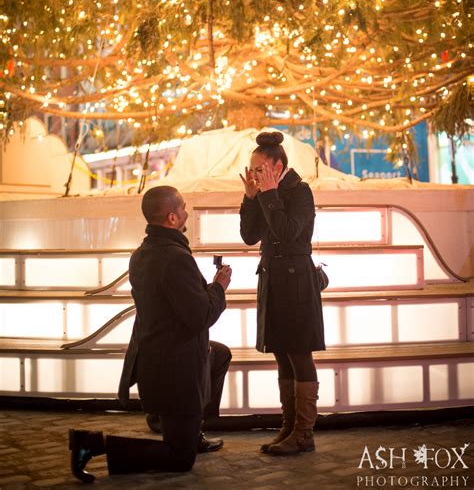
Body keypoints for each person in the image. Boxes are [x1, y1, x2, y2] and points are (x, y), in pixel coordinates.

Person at [69, 185, 232, 482]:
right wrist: (219, 286)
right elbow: (201, 317)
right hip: (175, 369)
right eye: (182, 207)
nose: (187, 211)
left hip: (155, 357)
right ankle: (93, 444)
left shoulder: (143, 253)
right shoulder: (175, 259)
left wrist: (206, 290)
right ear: (171, 217)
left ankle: (192, 430)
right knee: (180, 459)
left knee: (218, 354)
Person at [239, 131, 325, 456]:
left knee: (299, 353)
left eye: (259, 169)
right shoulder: (265, 192)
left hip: (297, 279)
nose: (255, 175)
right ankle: (289, 426)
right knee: (281, 352)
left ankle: (304, 432)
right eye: (252, 170)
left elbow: (288, 232)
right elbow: (250, 236)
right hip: (273, 278)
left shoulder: (299, 191)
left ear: (277, 166)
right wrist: (251, 197)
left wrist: (270, 194)